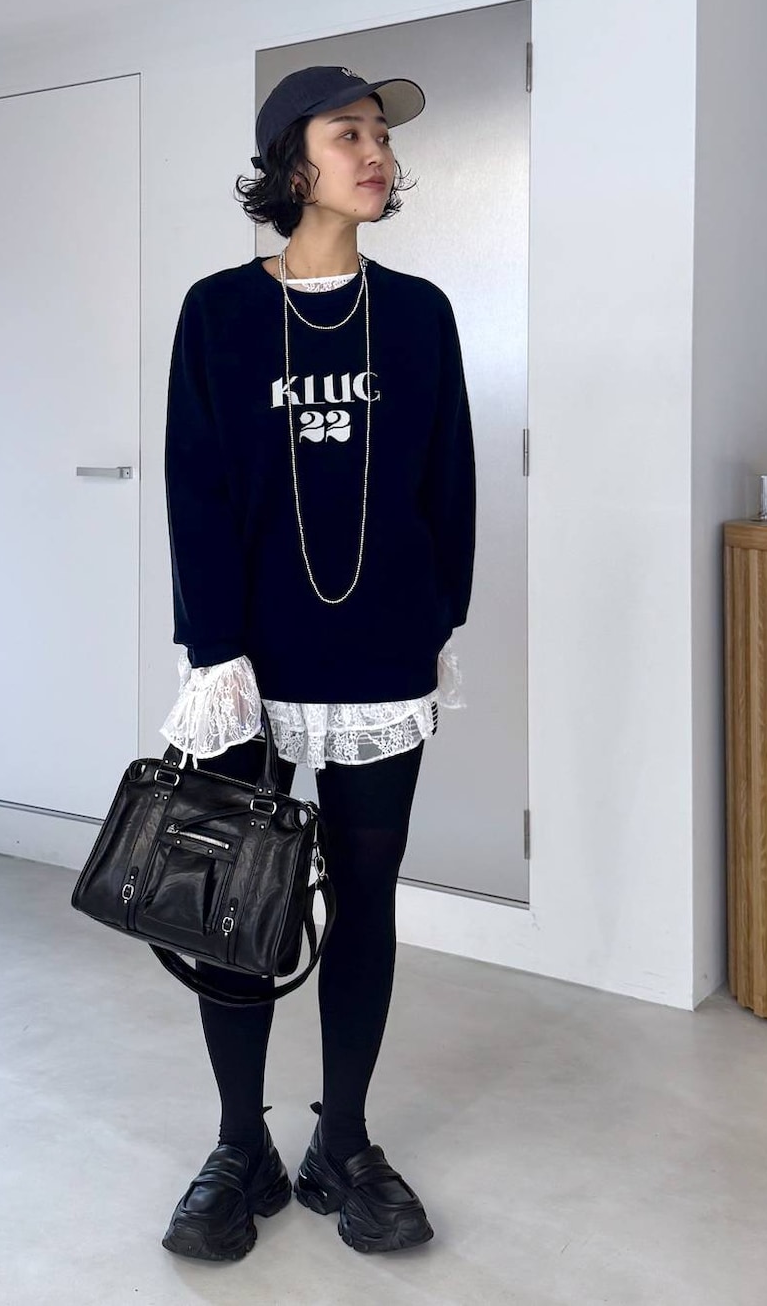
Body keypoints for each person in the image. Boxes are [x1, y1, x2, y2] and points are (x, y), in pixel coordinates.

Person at [158, 64, 476, 1261]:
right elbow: (196, 486)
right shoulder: (218, 313)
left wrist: (430, 617)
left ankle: (343, 1142)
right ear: (292, 162)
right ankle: (239, 1144)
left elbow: (449, 483)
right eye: (350, 134)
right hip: (247, 665)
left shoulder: (421, 314)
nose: (376, 153)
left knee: (366, 898)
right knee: (232, 905)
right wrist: (214, 650)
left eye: (381, 135)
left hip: (381, 659)